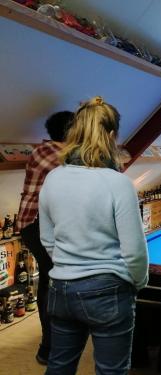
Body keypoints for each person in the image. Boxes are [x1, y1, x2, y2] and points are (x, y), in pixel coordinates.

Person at [39, 96, 149, 375]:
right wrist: (138, 281)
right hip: (109, 289)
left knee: (58, 367)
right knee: (111, 371)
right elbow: (134, 250)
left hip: (60, 290)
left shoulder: (53, 177)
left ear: (75, 132)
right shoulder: (118, 183)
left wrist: (69, 264)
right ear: (112, 135)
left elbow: (47, 239)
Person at [17, 110, 74, 365]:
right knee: (52, 281)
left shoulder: (59, 151)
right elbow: (81, 171)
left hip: (50, 224)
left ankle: (57, 341)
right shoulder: (50, 152)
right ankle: (49, 348)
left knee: (56, 281)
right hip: (37, 225)